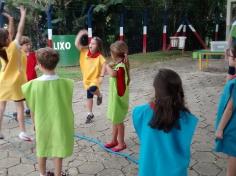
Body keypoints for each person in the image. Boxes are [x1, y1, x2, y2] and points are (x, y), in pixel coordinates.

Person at [132, 69, 198, 176]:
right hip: (176, 172)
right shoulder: (187, 118)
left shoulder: (139, 113)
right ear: (179, 90)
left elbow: (142, 136)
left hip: (149, 169)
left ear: (156, 89)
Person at [22, 47, 74, 176]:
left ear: (38, 65)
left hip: (41, 123)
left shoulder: (31, 85)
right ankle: (58, 174)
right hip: (61, 123)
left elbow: (32, 107)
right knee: (58, 149)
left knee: (42, 148)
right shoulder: (67, 84)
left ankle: (42, 174)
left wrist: (34, 123)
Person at [0, 6, 32, 141]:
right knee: (20, 107)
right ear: (8, 37)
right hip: (16, 82)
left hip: (3, 81)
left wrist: (10, 20)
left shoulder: (1, 49)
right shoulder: (15, 46)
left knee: (1, 108)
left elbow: (12, 32)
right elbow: (19, 30)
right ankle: (22, 132)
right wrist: (23, 14)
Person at [104, 41, 130, 152]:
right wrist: (111, 65)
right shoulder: (119, 64)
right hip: (115, 98)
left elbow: (113, 74)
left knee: (119, 121)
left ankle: (121, 143)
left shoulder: (121, 66)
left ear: (114, 54)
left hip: (119, 99)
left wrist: (106, 66)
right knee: (115, 120)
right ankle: (114, 140)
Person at [75, 29, 106, 123]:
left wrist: (101, 76)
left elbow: (104, 65)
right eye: (90, 43)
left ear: (98, 46)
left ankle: (99, 95)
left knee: (92, 89)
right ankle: (90, 113)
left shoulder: (99, 56)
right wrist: (80, 34)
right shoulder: (84, 52)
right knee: (89, 95)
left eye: (94, 43)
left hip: (95, 79)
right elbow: (77, 44)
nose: (91, 45)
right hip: (86, 79)